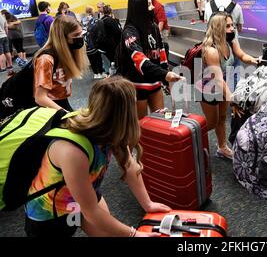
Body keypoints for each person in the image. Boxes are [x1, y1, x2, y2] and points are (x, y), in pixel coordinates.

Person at [24, 76, 170, 237]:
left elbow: (129, 165)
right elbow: (92, 212)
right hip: (49, 214)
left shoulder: (109, 126)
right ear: (125, 113)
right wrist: (134, 234)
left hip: (85, 193)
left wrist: (148, 204)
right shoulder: (73, 150)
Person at [198, 12, 259, 159]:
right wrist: (233, 100)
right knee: (211, 123)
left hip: (224, 83)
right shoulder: (211, 50)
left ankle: (222, 147)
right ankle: (191, 141)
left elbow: (242, 55)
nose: (232, 28)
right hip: (208, 87)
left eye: (232, 25)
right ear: (219, 28)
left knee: (222, 118)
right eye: (228, 26)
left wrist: (256, 60)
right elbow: (218, 79)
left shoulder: (230, 41)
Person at [116, 0, 183, 119]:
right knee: (141, 127)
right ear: (139, 8)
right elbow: (140, 61)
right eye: (148, 5)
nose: (153, 7)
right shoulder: (129, 32)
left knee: (160, 122)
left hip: (155, 84)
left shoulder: (153, 27)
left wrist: (164, 78)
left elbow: (162, 54)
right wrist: (164, 74)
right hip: (137, 86)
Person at [33, 15, 88, 112]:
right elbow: (40, 98)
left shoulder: (68, 52)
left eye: (81, 33)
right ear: (62, 38)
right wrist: (65, 114)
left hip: (61, 101)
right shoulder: (46, 59)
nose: (80, 38)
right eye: (75, 35)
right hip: (45, 107)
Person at [81, 6, 105, 79]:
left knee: (91, 59)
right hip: (94, 42)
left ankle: (95, 73)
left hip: (86, 43)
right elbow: (97, 31)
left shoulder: (83, 20)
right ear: (92, 11)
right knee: (98, 58)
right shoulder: (95, 20)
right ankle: (100, 72)